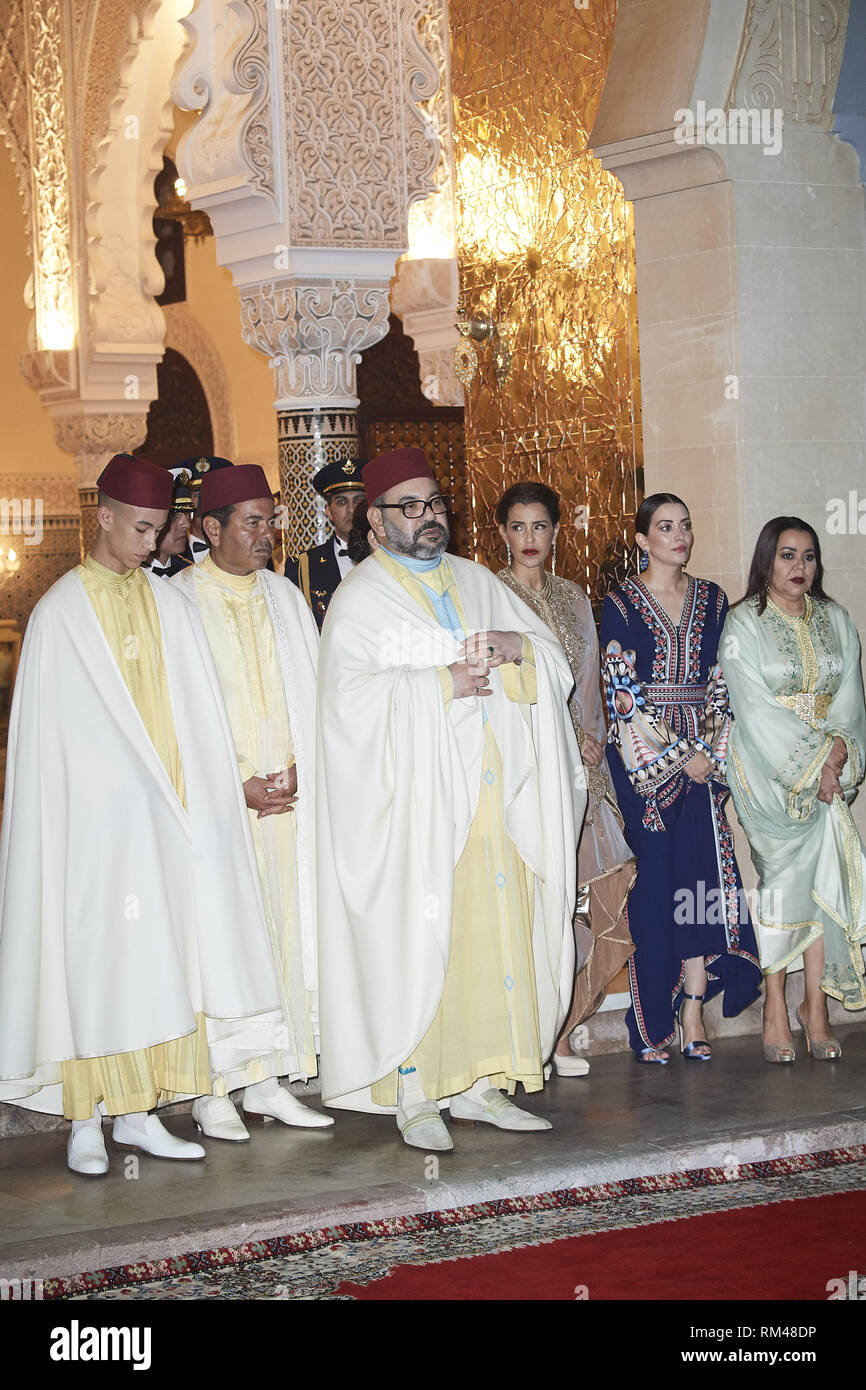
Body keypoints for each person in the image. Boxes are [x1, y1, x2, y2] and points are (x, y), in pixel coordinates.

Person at [0, 455, 283, 1174]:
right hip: (91, 835)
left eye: (160, 531)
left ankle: (140, 1112)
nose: (151, 545)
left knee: (160, 964)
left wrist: (209, 796)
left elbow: (196, 716)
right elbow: (49, 743)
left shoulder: (166, 601)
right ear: (102, 517)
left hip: (165, 828)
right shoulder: (61, 611)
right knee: (98, 967)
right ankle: (86, 1119)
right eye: (140, 529)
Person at [317, 448, 585, 1151]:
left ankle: (479, 1083)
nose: (428, 516)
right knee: (421, 940)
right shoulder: (361, 598)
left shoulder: (476, 579)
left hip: (496, 803)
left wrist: (515, 647)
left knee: (489, 936)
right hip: (418, 813)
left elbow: (551, 664)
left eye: (435, 504)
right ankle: (415, 1089)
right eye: (410, 507)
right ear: (375, 520)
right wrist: (441, 683)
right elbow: (347, 706)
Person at [173, 463, 331, 1134]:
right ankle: (215, 1087)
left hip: (287, 802)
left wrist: (303, 765)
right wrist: (232, 784)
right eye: (252, 523)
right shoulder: (177, 600)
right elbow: (176, 715)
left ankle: (268, 1076)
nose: (267, 534)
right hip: (220, 806)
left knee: (282, 934)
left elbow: (315, 690)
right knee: (220, 938)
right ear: (211, 528)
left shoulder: (285, 595)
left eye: (271, 521)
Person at [600, 493, 762, 1063]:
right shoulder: (619, 603)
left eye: (685, 526)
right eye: (665, 527)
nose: (679, 536)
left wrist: (709, 755)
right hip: (646, 768)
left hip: (703, 762)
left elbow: (721, 682)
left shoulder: (714, 600)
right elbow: (622, 695)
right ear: (642, 540)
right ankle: (650, 1023)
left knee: (702, 884)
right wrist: (677, 756)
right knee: (658, 890)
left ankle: (694, 1009)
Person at [496, 482, 636, 1076]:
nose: (531, 539)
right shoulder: (488, 596)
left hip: (581, 770)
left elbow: (591, 685)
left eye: (541, 527)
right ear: (501, 532)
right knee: (534, 904)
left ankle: (561, 1025)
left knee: (590, 897)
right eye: (519, 527)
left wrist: (594, 740)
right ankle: (525, 1034)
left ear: (556, 532)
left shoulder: (576, 597)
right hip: (524, 770)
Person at [721, 517, 866, 1063]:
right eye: (787, 556)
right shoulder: (743, 624)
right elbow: (753, 709)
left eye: (808, 556)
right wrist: (814, 763)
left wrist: (839, 756)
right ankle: (776, 1007)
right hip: (766, 768)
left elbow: (851, 698)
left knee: (824, 877)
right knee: (782, 881)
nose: (799, 567)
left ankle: (816, 1007)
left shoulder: (836, 619)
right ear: (767, 559)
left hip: (829, 763)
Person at [285, 457, 367, 628]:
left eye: (359, 501)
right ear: (328, 511)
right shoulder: (302, 567)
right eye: (341, 502)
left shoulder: (392, 558)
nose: (351, 509)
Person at [144, 465, 195, 578]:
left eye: (187, 514)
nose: (186, 524)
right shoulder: (129, 577)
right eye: (174, 516)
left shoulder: (191, 573)